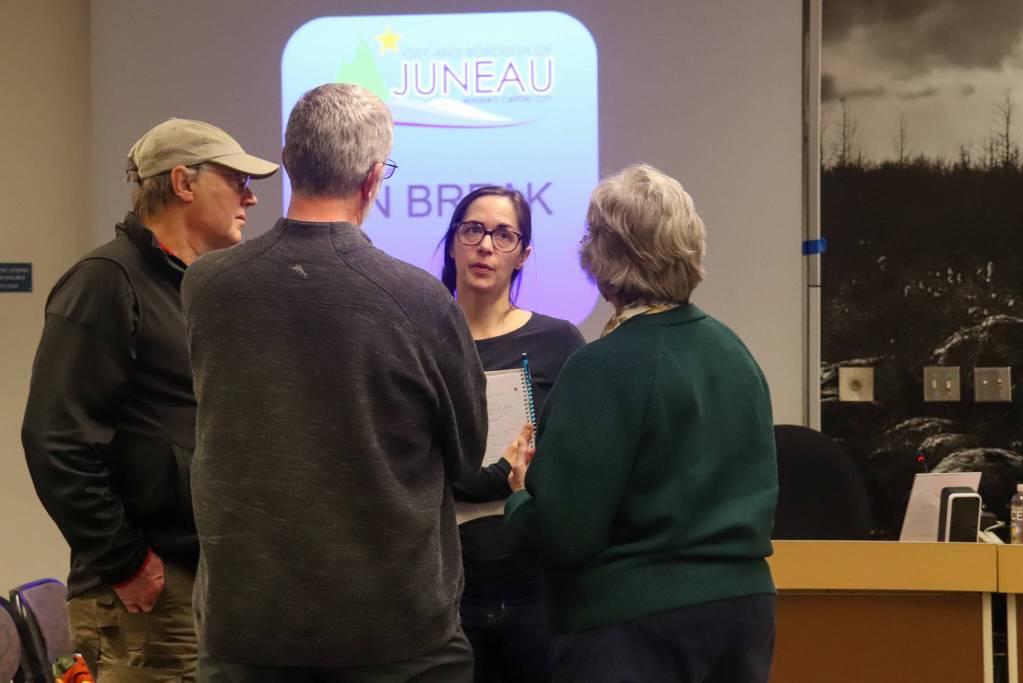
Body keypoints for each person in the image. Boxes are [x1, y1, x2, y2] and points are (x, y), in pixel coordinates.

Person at [182, 82, 488, 682]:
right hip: (396, 638)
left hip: (247, 634)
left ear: (288, 161)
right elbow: (469, 453)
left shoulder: (207, 287)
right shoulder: (419, 299)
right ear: (374, 179)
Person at [21, 118, 278, 681]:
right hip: (145, 594)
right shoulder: (105, 281)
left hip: (199, 579)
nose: (252, 197)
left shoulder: (194, 286)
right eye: (236, 181)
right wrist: (125, 559)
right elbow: (55, 439)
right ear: (184, 183)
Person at [504, 164, 778, 683]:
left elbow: (563, 536)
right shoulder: (734, 351)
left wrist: (519, 494)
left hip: (633, 627)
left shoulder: (603, 365)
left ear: (603, 257)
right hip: (744, 614)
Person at [439, 186, 585, 682]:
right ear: (453, 242)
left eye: (504, 235)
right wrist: (491, 474)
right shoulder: (421, 341)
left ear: (524, 255)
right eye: (473, 229)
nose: (485, 246)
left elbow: (579, 457)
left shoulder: (558, 342)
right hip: (445, 583)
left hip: (533, 581)